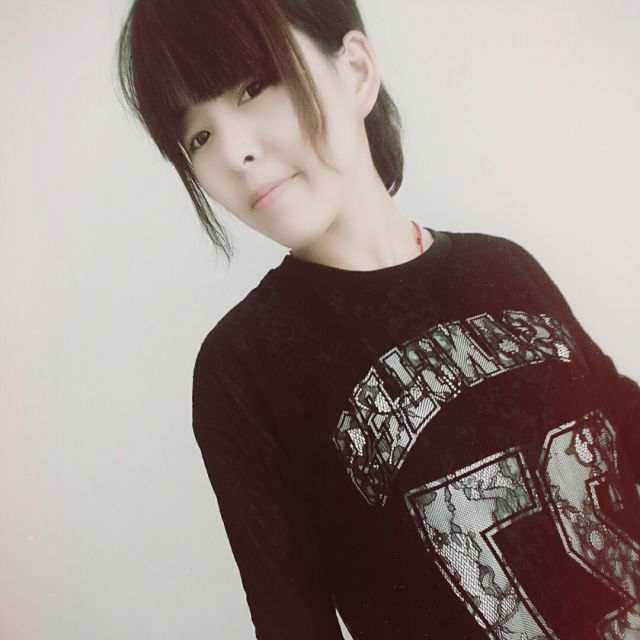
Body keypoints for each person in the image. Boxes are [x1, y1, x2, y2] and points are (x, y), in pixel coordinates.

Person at [116, 1, 640, 638]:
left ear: (356, 72)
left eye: (253, 87)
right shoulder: (245, 368)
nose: (234, 153)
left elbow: (623, 424)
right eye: (197, 136)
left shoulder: (504, 267)